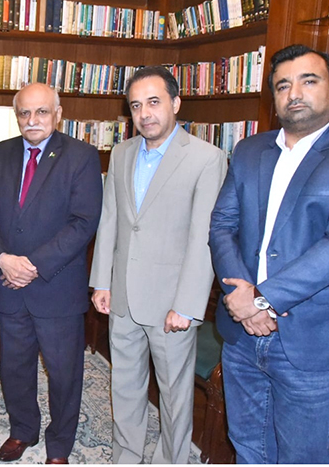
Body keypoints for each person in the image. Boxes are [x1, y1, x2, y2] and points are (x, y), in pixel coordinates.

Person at [209, 44, 329, 463]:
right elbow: (222, 225)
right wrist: (241, 297)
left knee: (300, 457)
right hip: (242, 333)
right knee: (247, 444)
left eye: (309, 80)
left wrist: (259, 299)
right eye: (283, 85)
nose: (294, 92)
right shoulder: (249, 151)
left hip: (311, 340)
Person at [89, 66, 227, 464]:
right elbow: (111, 219)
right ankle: (126, 456)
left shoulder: (207, 158)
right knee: (126, 386)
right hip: (123, 297)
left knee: (174, 396)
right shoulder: (121, 153)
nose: (145, 113)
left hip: (172, 304)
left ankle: (171, 460)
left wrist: (187, 306)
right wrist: (102, 282)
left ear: (176, 103)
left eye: (154, 102)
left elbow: (204, 239)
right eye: (136, 106)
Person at [0, 82, 103, 464]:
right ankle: (22, 431)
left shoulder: (81, 156)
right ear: (16, 116)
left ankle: (60, 446)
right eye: (24, 113)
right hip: (9, 284)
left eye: (42, 112)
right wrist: (3, 259)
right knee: (14, 366)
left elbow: (84, 223)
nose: (32, 120)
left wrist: (31, 266)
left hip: (55, 285)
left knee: (64, 373)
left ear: (58, 114)